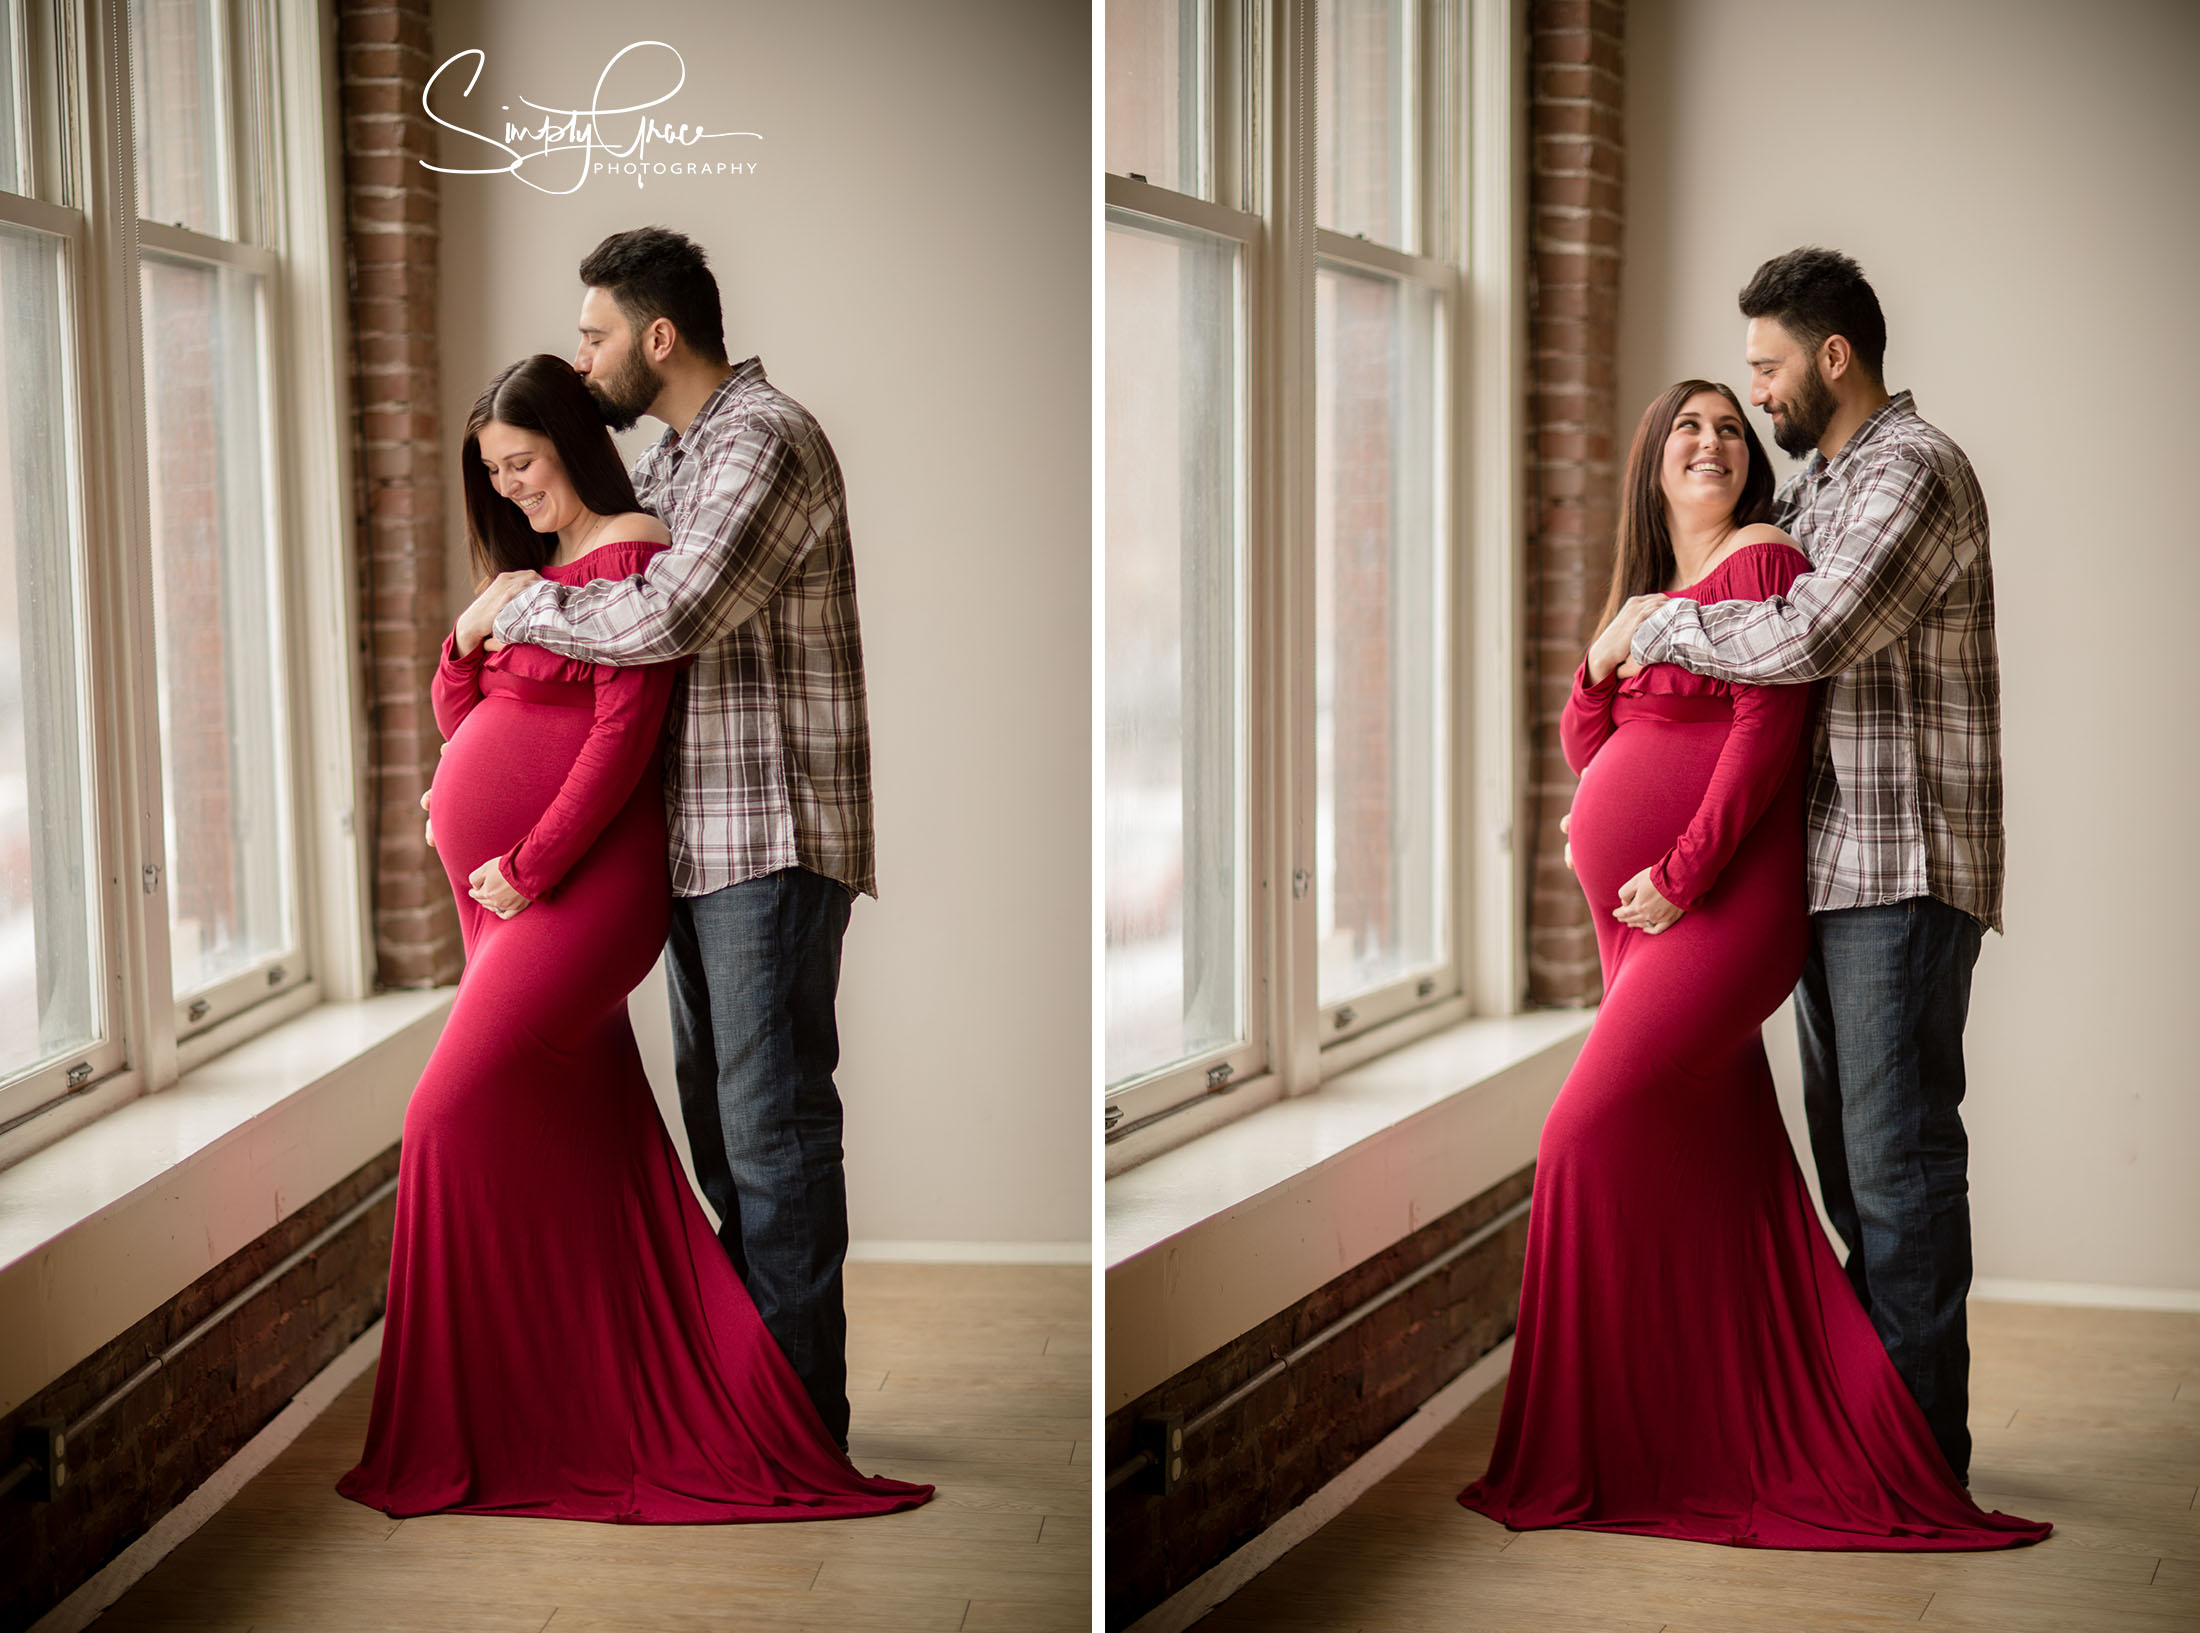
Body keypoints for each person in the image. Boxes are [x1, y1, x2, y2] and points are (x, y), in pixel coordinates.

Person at [337, 355, 928, 1523]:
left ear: (572, 430)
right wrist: (465, 636)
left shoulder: (644, 535)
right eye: (493, 473)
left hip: (583, 886)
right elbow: (475, 713)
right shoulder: (541, 561)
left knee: (463, 1120)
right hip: (507, 896)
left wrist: (529, 861)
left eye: (523, 461)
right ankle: (624, 1396)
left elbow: (624, 725)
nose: (510, 487)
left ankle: (788, 1419)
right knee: (661, 1134)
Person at [1456, 379, 2045, 1549]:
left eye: (1732, 424)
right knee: (1726, 1177)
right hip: (1639, 921)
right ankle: (1689, 1437)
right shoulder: (1655, 595)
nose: (1713, 438)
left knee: (1579, 1138)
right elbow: (1589, 741)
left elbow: (1763, 739)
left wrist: (1681, 872)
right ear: (1650, 460)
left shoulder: (1766, 563)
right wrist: (1598, 660)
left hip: (1714, 905)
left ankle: (1605, 1441)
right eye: (1687, 424)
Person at [459, 228, 873, 1452]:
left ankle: (800, 1426)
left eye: (592, 335)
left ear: (656, 335)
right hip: (701, 844)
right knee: (722, 1127)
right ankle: (758, 1405)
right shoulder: (686, 457)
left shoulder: (762, 441)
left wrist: (517, 601)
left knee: (772, 1130)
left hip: (769, 837)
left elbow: (670, 613)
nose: (579, 358)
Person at [1624, 248, 2001, 1487]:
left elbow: (1809, 629)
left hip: (1900, 869)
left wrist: (1655, 622)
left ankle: (1915, 1465)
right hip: (1830, 874)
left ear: (1831, 357)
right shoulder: (1823, 487)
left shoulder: (1912, 471)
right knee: (1854, 1171)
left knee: (1897, 1171)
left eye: (1767, 369)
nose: (1758, 394)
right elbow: (1737, 569)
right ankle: (1873, 1435)